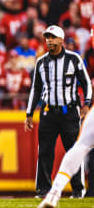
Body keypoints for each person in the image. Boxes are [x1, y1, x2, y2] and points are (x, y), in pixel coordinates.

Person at [25, 25, 92, 199]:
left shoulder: (74, 59)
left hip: (69, 113)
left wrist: (86, 104)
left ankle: (78, 190)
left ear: (61, 40)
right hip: (48, 112)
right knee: (45, 152)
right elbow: (36, 89)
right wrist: (29, 113)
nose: (49, 40)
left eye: (53, 37)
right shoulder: (41, 62)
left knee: (74, 151)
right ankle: (43, 190)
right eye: (47, 37)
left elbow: (86, 83)